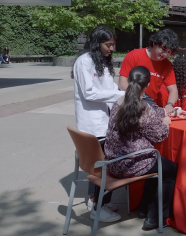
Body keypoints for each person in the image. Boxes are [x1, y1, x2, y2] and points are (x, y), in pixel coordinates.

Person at [105, 66, 178, 229]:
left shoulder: (118, 102)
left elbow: (147, 115)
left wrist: (169, 112)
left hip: (112, 162)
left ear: (129, 81)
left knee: (157, 164)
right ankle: (156, 217)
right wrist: (166, 123)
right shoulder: (143, 108)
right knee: (170, 169)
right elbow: (159, 135)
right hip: (131, 163)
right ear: (147, 85)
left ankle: (145, 209)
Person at [72, 25, 124, 222]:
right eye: (107, 44)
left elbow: (110, 88)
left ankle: (98, 201)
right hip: (92, 124)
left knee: (103, 165)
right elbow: (89, 93)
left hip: (106, 121)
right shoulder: (84, 62)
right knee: (102, 167)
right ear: (97, 43)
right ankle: (96, 205)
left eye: (113, 45)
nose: (111, 49)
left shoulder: (102, 62)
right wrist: (121, 94)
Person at [118, 29, 179, 114]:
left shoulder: (167, 65)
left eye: (168, 52)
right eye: (163, 49)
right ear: (154, 43)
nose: (165, 54)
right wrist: (138, 96)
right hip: (129, 103)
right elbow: (122, 82)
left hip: (149, 105)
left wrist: (169, 104)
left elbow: (173, 89)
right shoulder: (134, 56)